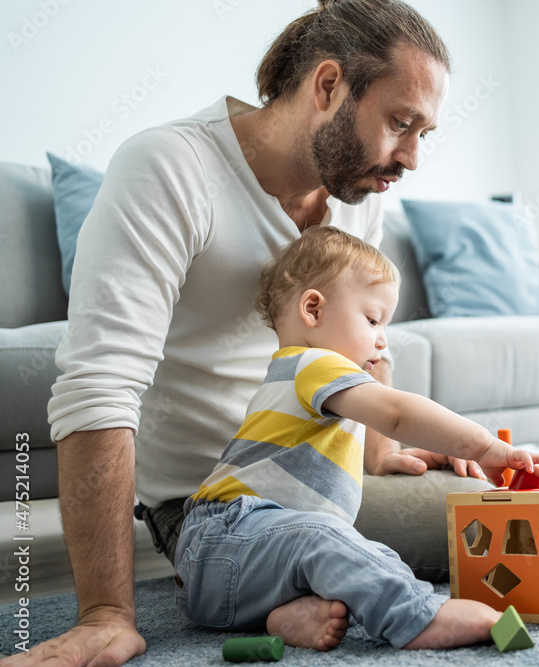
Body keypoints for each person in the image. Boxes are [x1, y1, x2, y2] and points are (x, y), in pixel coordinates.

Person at [19, 2, 491, 666]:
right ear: (327, 86)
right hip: (216, 508)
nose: (411, 155)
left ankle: (278, 601)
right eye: (400, 122)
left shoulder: (361, 191)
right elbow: (98, 385)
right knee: (487, 530)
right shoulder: (170, 167)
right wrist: (105, 613)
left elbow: (359, 344)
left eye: (424, 132)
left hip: (320, 484)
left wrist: (382, 450)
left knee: (510, 508)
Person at [175, 227, 539, 650]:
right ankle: (416, 616)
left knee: (356, 553)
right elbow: (395, 413)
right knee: (329, 540)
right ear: (313, 309)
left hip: (242, 569)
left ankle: (284, 616)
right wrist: (484, 446)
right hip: (225, 537)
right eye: (373, 319)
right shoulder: (314, 365)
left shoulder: (297, 376)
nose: (382, 338)